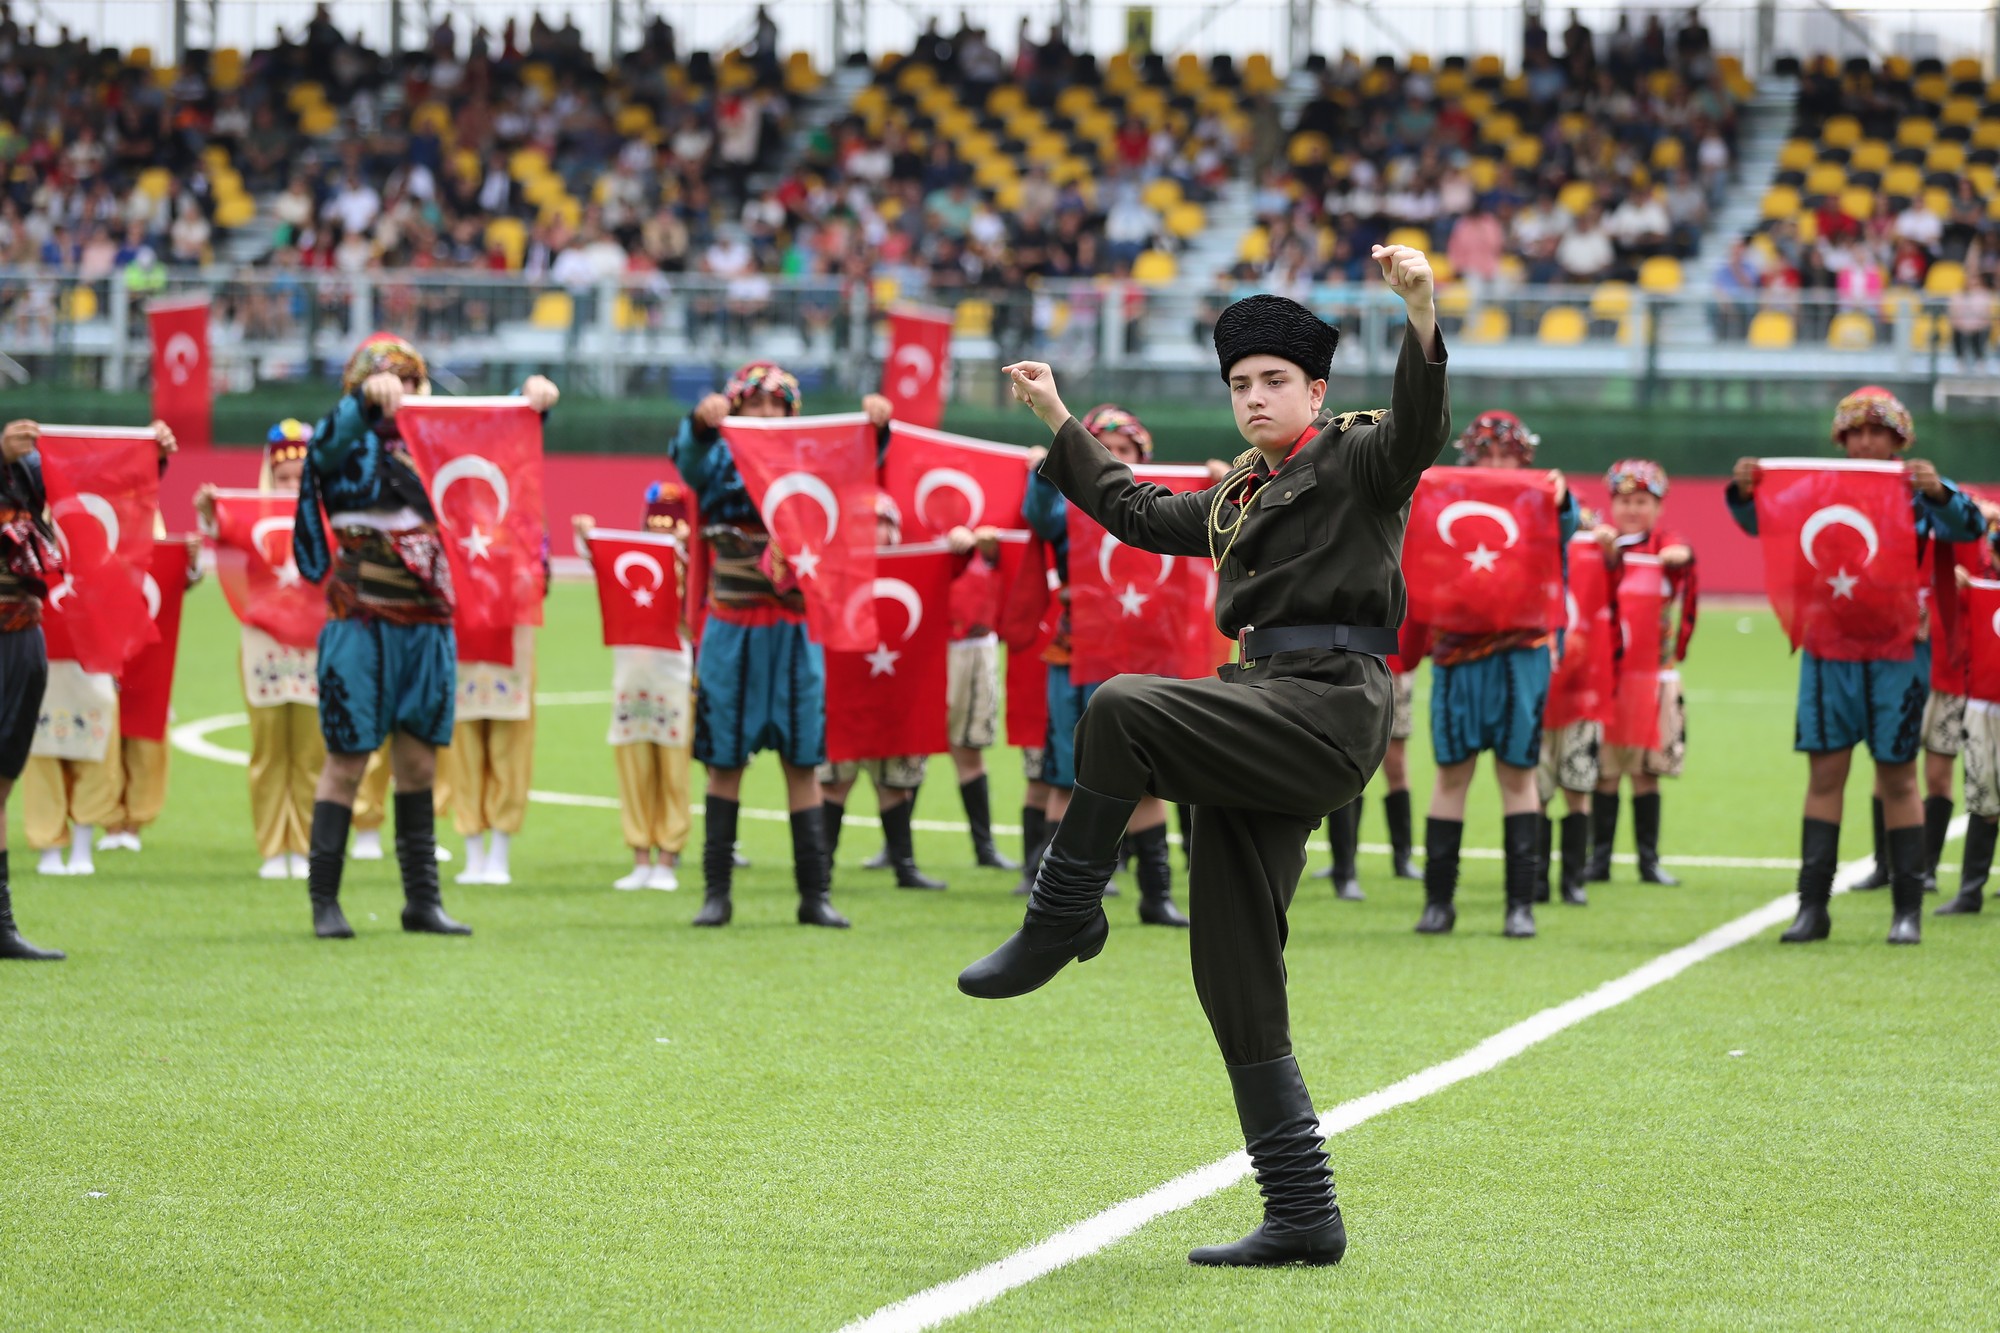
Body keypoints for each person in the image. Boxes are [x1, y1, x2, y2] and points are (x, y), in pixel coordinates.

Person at [960, 246, 1450, 1268]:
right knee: (1229, 960)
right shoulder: (1234, 496)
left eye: (1274, 380)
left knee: (1124, 706)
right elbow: (1136, 514)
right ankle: (1303, 1212)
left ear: (1315, 390)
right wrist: (1058, 418)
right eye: (1239, 383)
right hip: (1255, 701)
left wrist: (1419, 316)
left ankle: (1060, 916)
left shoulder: (1357, 456)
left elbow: (1417, 429)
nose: (1254, 397)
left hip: (1328, 705)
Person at [293, 331, 557, 940]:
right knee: (347, 760)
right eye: (390, 378)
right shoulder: (341, 438)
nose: (404, 390)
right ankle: (324, 902)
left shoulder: (440, 444)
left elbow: (494, 437)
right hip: (360, 621)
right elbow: (325, 447)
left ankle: (422, 902)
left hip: (429, 625)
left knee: (417, 763)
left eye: (413, 379)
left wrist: (529, 400)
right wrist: (365, 406)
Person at [1726, 386, 1985, 945]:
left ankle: (1906, 909)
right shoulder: (1817, 487)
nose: (1868, 442)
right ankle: (1812, 907)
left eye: (1880, 432)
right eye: (1857, 432)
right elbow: (1760, 522)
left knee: (1897, 776)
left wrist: (1939, 492)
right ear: (1841, 439)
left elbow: (1969, 527)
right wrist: (1744, 492)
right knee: (1825, 773)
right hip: (1828, 649)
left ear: (1900, 439)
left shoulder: (1918, 491)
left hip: (1898, 654)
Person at [668, 360, 883, 928]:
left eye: (776, 405)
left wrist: (874, 427)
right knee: (723, 762)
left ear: (793, 411)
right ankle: (717, 894)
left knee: (803, 762)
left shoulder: (813, 455)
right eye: (753, 403)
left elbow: (859, 468)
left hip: (795, 629)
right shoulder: (716, 452)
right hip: (731, 628)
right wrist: (699, 422)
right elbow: (687, 461)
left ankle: (814, 896)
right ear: (736, 408)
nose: (765, 414)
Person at [1019, 402, 1189, 928]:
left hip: (1141, 654)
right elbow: (1039, 518)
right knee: (1070, 770)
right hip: (1079, 650)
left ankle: (1155, 894)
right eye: (1101, 450)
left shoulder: (1161, 505)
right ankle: (1053, 894)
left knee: (1144, 775)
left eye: (1124, 451)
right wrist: (1045, 474)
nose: (1112, 458)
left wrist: (1224, 482)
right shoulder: (1064, 506)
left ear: (1143, 457)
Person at [1417, 411, 1580, 939]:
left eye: (1506, 454)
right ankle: (1439, 903)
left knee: (1517, 774)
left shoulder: (1544, 496)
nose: (1495, 464)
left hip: (1520, 653)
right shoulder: (1442, 496)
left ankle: (1520, 904)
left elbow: (1570, 527)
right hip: (1457, 652)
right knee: (1452, 773)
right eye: (1484, 453)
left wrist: (1562, 501)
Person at [22, 419, 177, 880]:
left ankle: (86, 836)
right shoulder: (28, 512)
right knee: (42, 744)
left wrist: (156, 456)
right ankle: (48, 842)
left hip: (94, 648)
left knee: (97, 734)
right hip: (41, 641)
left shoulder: (101, 521)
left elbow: (128, 492)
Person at [194, 420, 323, 881]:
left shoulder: (328, 515)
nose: (291, 487)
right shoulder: (251, 513)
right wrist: (209, 510)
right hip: (263, 642)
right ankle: (273, 849)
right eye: (282, 477)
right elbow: (220, 526)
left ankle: (307, 848)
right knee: (269, 750)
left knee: (311, 753)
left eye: (299, 478)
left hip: (315, 642)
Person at [819, 492, 950, 891]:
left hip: (895, 690)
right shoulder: (833, 570)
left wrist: (958, 546)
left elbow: (951, 573)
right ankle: (819, 867)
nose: (879, 532)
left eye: (885, 523)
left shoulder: (918, 567)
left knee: (894, 780)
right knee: (836, 777)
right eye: (870, 523)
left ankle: (904, 867)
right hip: (846, 689)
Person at [574, 483, 695, 891]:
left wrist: (682, 554)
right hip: (631, 680)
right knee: (634, 769)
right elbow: (599, 560)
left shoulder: (691, 566)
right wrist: (585, 535)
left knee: (673, 772)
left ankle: (668, 856)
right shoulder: (631, 560)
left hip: (673, 678)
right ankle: (640, 857)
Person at [1585, 459, 1696, 886]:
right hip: (1610, 678)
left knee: (1647, 772)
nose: (1633, 509)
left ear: (1658, 506)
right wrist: (1605, 551)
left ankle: (1649, 861)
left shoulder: (1665, 544)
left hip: (1654, 676)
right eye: (1625, 501)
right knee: (1607, 771)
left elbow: (1683, 556)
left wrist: (1675, 556)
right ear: (1613, 504)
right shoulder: (1600, 543)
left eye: (1643, 501)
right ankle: (1600, 860)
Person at [0, 417, 70, 959]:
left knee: (0, 781)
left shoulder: (25, 467)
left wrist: (148, 454)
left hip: (21, 630)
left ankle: (0, 925)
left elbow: (89, 479)